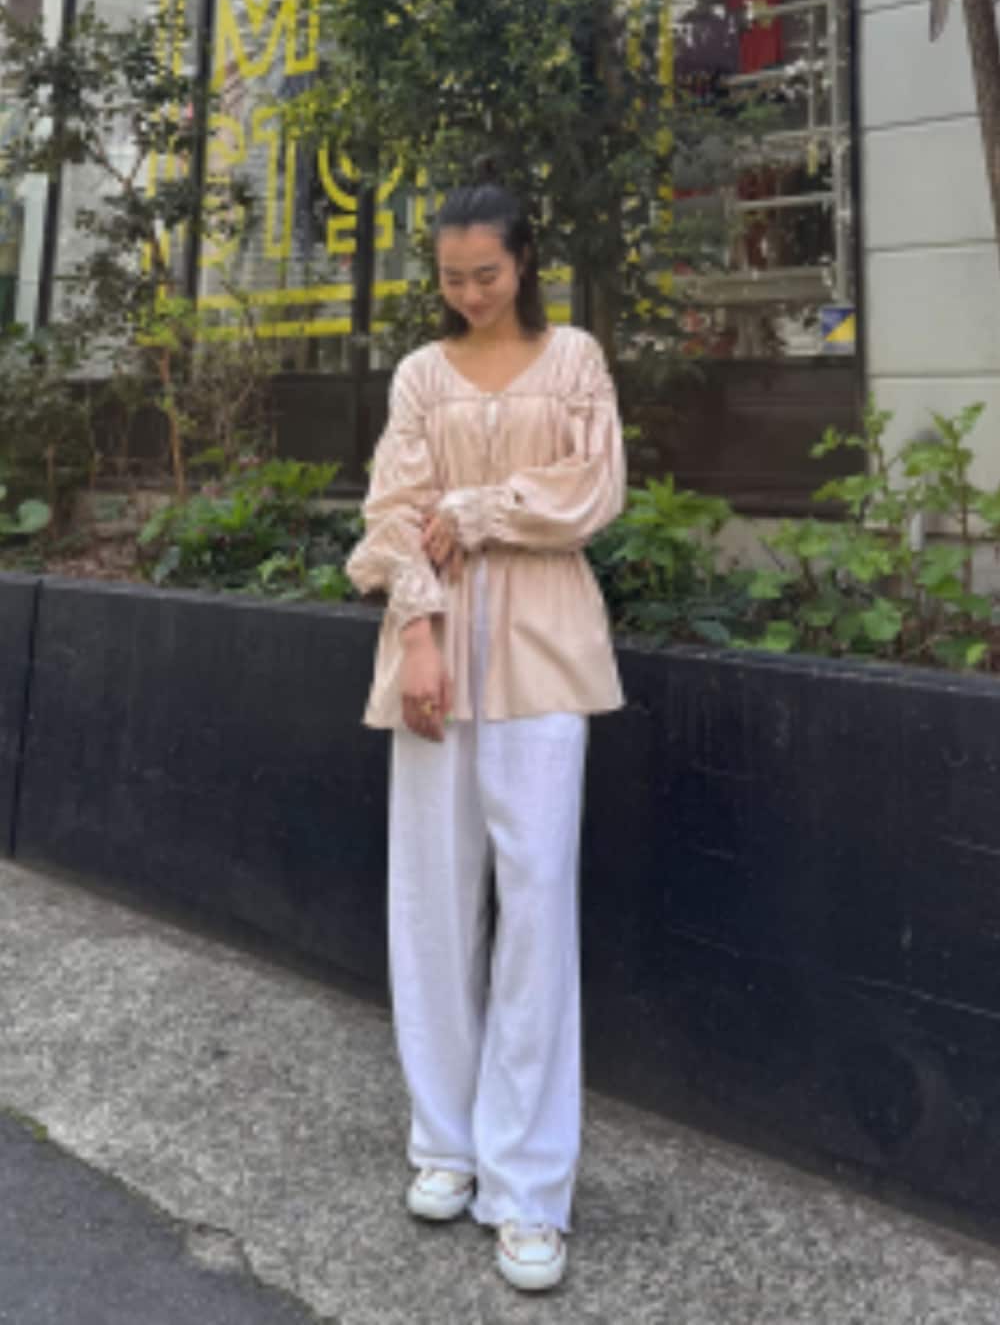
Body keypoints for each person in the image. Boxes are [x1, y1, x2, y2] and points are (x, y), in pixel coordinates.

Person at [345, 174, 627, 1293]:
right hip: (433, 653)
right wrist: (416, 634)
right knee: (431, 899)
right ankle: (446, 1144)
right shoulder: (421, 374)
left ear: (523, 262)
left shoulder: (576, 361)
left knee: (536, 906)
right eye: (453, 277)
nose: (469, 293)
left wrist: (469, 510)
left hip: (546, 648)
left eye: (487, 274)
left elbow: (590, 491)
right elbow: (386, 515)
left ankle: (528, 1187)